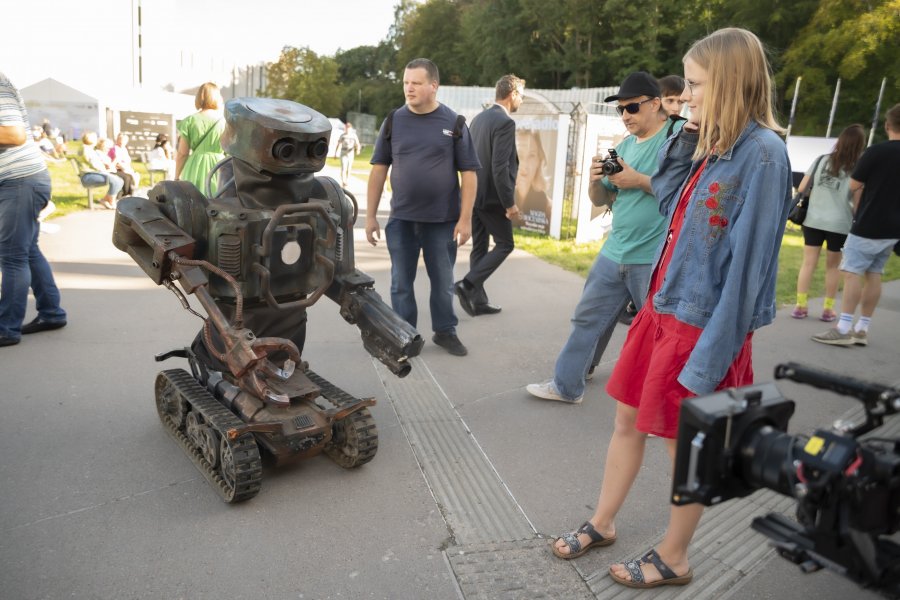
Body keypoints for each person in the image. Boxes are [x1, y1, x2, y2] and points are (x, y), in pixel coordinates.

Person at [550, 29, 793, 591]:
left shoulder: (763, 154)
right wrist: (687, 137)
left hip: (701, 324)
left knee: (687, 443)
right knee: (627, 419)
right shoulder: (708, 141)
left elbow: (751, 271)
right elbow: (666, 196)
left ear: (729, 83)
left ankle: (676, 556)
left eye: (696, 84)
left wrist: (711, 357)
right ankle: (604, 521)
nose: (684, 96)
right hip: (662, 306)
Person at [526, 71, 674, 403]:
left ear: (655, 104)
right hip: (615, 250)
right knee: (586, 318)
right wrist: (595, 181)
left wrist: (637, 180)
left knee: (658, 334)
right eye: (620, 109)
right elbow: (601, 199)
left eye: (632, 108)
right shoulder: (622, 146)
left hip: (653, 256)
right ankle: (566, 387)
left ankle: (658, 408)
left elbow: (680, 192)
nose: (625, 116)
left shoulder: (675, 139)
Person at [366, 58, 481, 357]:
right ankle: (405, 336)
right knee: (400, 284)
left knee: (443, 283)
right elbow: (378, 169)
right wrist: (369, 217)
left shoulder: (454, 123)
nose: (409, 88)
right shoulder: (393, 121)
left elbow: (469, 173)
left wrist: (465, 219)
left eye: (416, 83)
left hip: (442, 221)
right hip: (401, 219)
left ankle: (445, 331)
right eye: (406, 82)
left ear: (433, 86)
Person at [812, 103, 900, 347]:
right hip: (894, 230)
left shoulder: (876, 152)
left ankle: (843, 328)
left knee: (851, 274)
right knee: (875, 275)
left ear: (887, 125)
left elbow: (852, 185)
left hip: (869, 224)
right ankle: (862, 328)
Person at [0, 72, 67, 347]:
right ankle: (52, 313)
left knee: (13, 256)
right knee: (27, 250)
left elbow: (14, 134)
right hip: (20, 181)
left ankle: (6, 328)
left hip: (19, 181)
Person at [454, 74, 524, 317]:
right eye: (521, 96)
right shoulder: (505, 123)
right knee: (506, 244)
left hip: (474, 194)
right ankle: (468, 284)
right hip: (494, 198)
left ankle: (478, 300)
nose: (521, 101)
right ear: (512, 93)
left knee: (480, 247)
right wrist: (510, 204)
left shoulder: (479, 119)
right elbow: (499, 167)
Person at [791, 124, 866, 322]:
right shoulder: (857, 167)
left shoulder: (821, 160)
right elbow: (858, 202)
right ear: (859, 145)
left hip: (814, 220)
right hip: (840, 223)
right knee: (833, 267)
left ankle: (800, 305)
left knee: (808, 263)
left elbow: (802, 186)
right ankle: (827, 309)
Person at [176, 82, 225, 196]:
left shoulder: (190, 121)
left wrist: (176, 176)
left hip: (195, 166)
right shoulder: (225, 122)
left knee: (193, 202)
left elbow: (182, 153)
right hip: (219, 167)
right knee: (218, 201)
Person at [513, 129, 551, 234]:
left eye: (531, 156)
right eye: (519, 156)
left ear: (539, 160)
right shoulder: (498, 198)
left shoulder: (548, 207)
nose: (524, 165)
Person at [80, 131, 124, 209]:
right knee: (115, 180)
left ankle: (106, 199)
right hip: (88, 176)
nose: (96, 140)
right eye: (95, 138)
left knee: (120, 181)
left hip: (93, 174)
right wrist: (105, 171)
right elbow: (94, 164)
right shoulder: (86, 149)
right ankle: (111, 201)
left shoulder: (88, 149)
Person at [335, 121, 361, 187]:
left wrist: (358, 150)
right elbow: (338, 144)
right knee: (344, 167)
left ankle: (347, 181)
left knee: (349, 168)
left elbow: (358, 144)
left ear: (351, 128)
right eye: (346, 128)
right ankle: (343, 181)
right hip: (343, 153)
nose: (347, 129)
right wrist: (335, 153)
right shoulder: (342, 136)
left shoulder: (354, 136)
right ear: (345, 128)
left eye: (348, 128)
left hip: (350, 153)